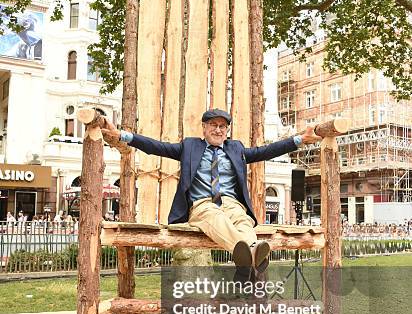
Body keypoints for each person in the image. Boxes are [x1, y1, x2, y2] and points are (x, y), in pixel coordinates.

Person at [101, 108, 321, 274]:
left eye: (222, 126)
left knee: (243, 221)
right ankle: (250, 256)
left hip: (232, 203)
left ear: (227, 131)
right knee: (214, 216)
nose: (218, 130)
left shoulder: (236, 149)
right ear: (204, 128)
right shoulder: (190, 147)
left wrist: (299, 139)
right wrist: (122, 135)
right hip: (203, 204)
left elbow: (266, 151)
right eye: (213, 125)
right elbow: (156, 146)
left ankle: (248, 257)